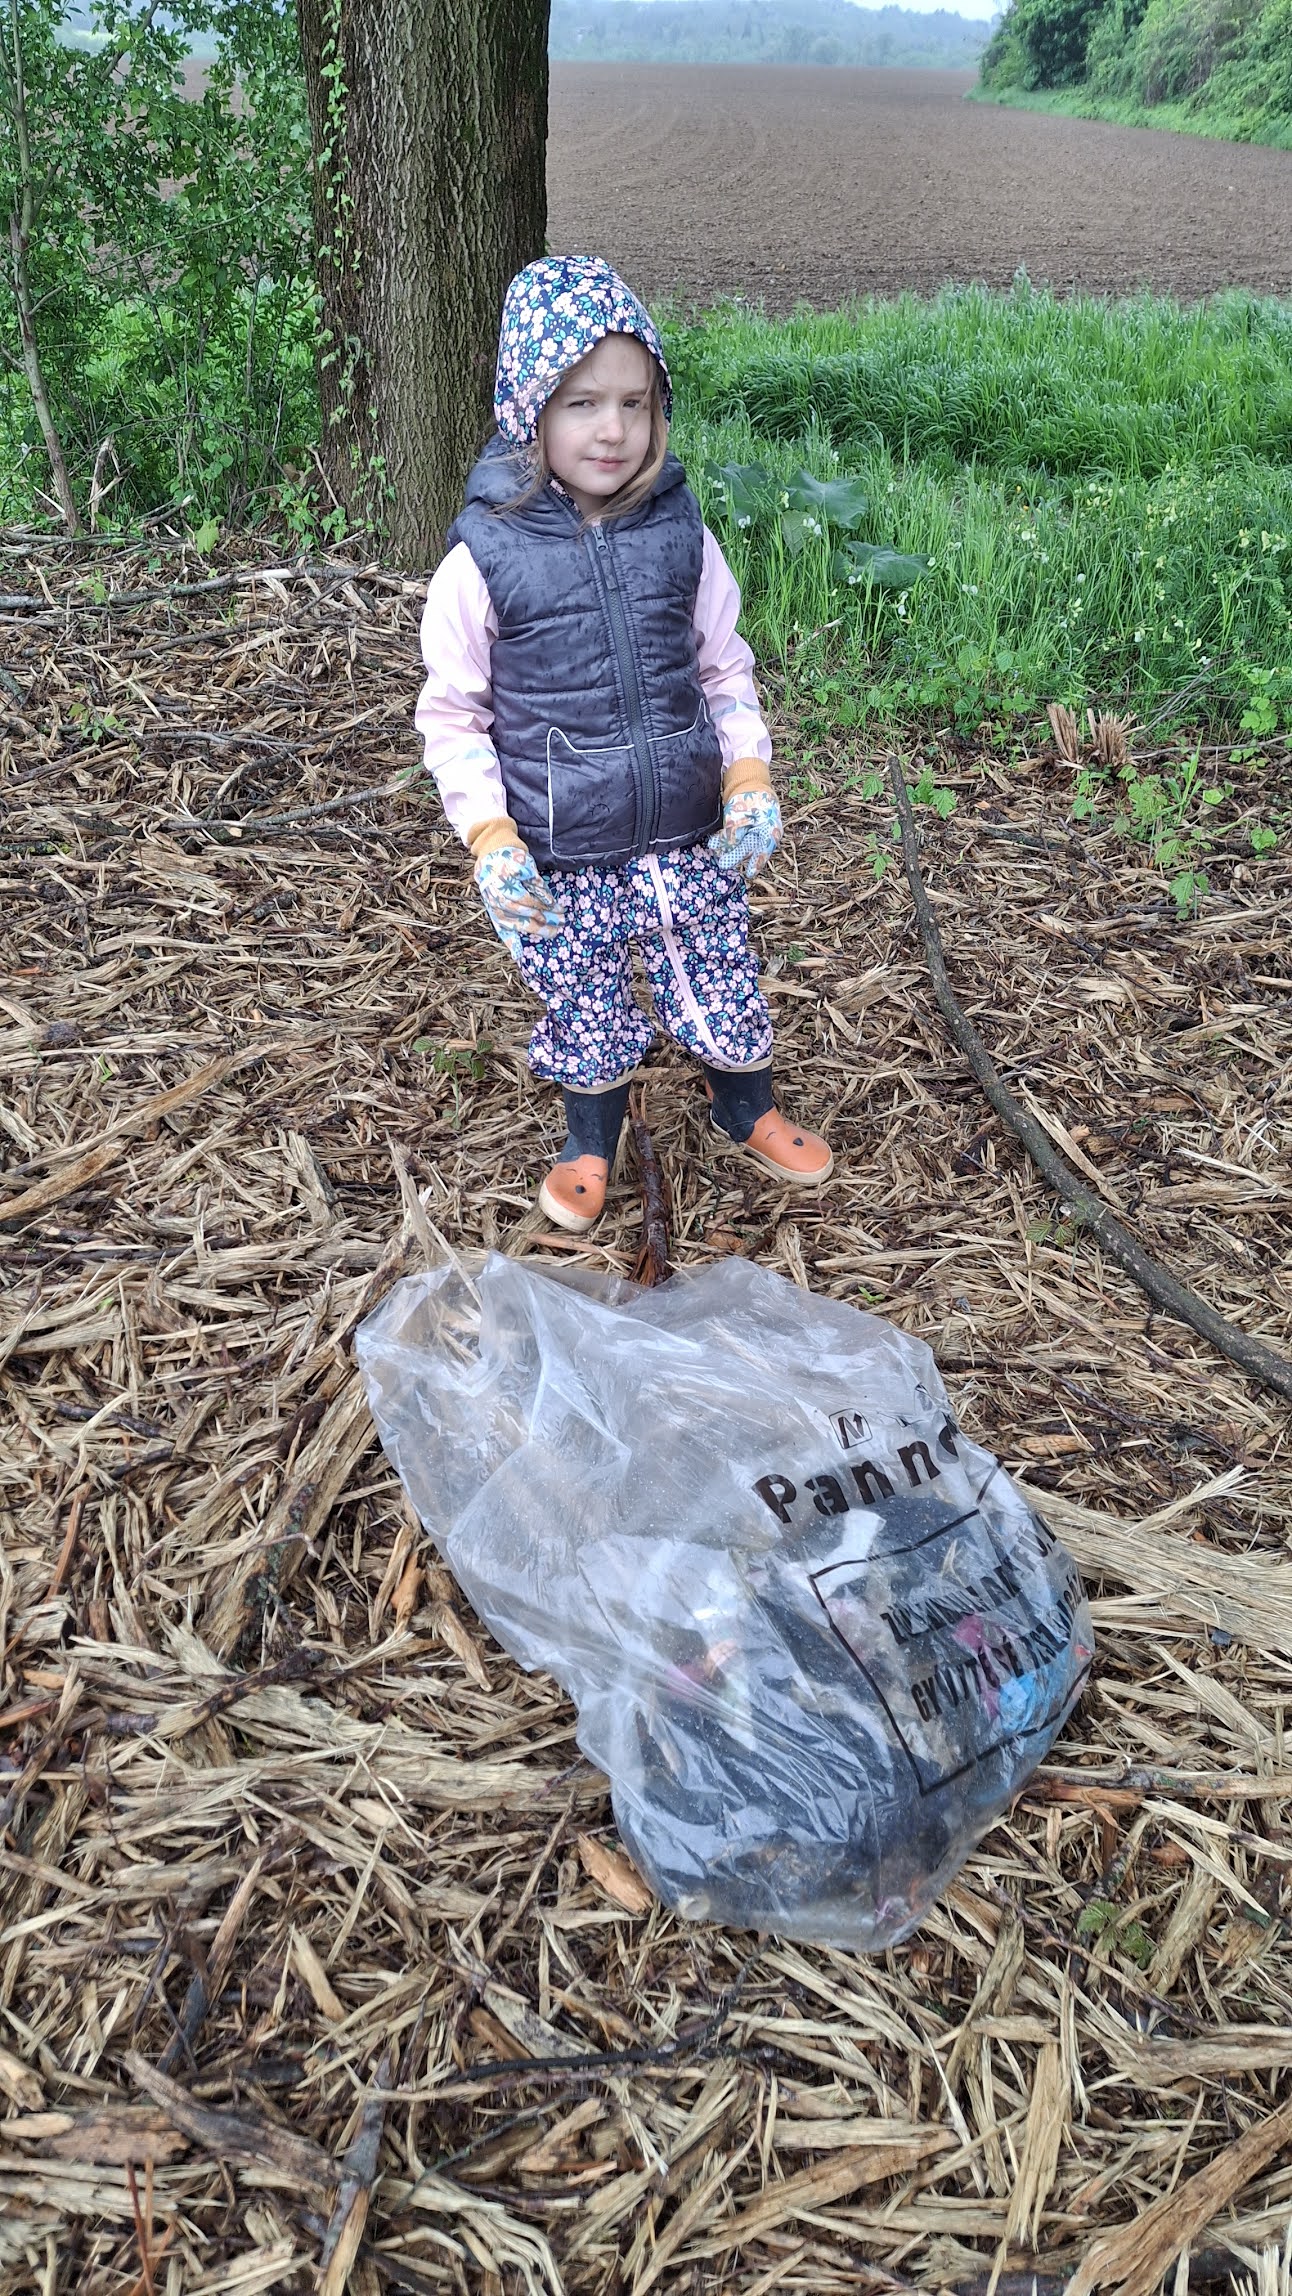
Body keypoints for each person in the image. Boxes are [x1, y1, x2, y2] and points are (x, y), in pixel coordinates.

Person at [415, 255, 832, 1234]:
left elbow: (723, 669)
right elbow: (453, 716)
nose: (612, 430)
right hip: (559, 844)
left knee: (717, 963)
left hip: (685, 827)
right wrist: (490, 836)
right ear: (528, 410)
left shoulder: (680, 534)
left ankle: (747, 1106)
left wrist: (747, 775)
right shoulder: (483, 561)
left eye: (634, 403)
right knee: (584, 994)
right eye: (582, 403)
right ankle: (588, 1143)